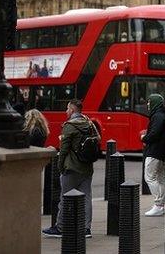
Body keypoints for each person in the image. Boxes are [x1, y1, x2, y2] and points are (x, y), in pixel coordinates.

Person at [42, 100, 98, 238]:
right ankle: (86, 229)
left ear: (72, 110)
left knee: (65, 197)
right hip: (87, 166)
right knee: (86, 198)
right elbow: (98, 139)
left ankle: (60, 227)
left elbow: (64, 149)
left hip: (72, 167)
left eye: (67, 109)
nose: (66, 112)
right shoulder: (89, 123)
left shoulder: (70, 126)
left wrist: (60, 167)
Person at [141, 93, 165, 216]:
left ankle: (158, 204)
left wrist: (144, 138)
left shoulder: (158, 116)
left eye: (149, 102)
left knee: (149, 177)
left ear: (154, 103)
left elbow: (154, 134)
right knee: (161, 178)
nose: (148, 105)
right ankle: (160, 205)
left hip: (155, 151)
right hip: (163, 152)